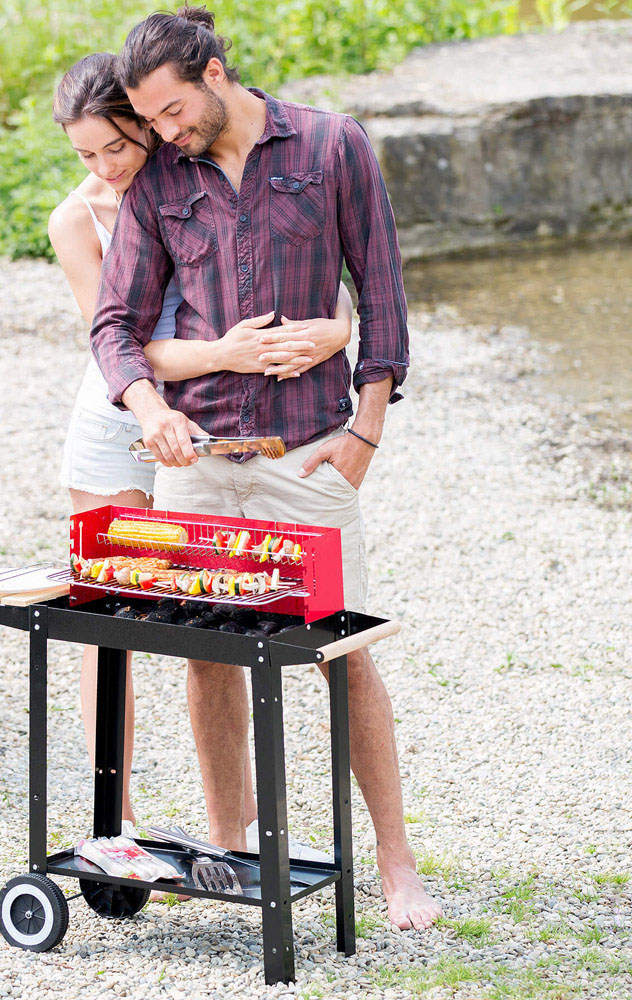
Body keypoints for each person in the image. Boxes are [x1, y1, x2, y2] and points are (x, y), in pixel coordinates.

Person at [90, 7, 443, 930]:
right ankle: (234, 847)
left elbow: (384, 294)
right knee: (207, 658)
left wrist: (363, 437)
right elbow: (113, 325)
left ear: (213, 72)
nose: (160, 134)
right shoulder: (159, 183)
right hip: (200, 463)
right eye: (148, 118)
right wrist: (151, 408)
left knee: (347, 655)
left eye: (170, 111)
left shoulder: (332, 147)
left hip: (307, 456)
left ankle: (397, 865)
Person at [48, 52, 354, 835]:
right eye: (86, 154)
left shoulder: (201, 177)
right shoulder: (76, 220)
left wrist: (339, 330)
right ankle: (111, 821)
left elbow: (319, 280)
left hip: (217, 420)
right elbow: (119, 344)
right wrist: (225, 353)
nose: (107, 167)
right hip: (123, 421)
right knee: (106, 613)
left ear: (150, 122)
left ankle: (237, 824)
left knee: (219, 617)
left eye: (120, 145)